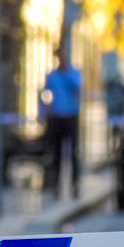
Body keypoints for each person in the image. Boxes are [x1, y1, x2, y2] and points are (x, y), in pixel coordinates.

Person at [40, 51, 82, 198]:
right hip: (56, 117)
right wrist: (44, 110)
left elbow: (77, 87)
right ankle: (55, 185)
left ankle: (75, 185)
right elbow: (43, 93)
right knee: (55, 154)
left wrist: (67, 74)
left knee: (73, 153)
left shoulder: (73, 73)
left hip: (71, 116)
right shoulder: (52, 76)